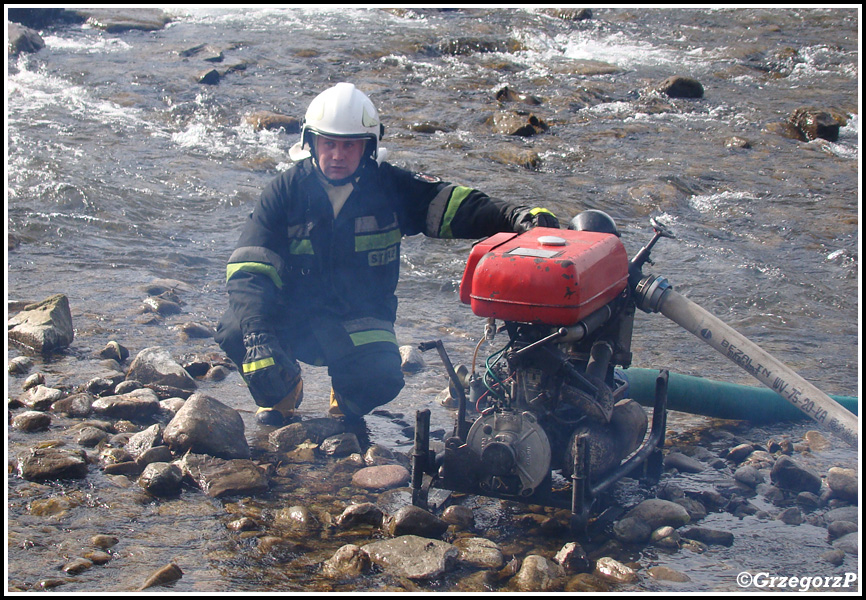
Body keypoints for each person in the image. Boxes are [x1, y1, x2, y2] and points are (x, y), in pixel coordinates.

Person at [215, 82, 559, 427]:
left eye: (349, 145)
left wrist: (516, 217)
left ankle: (345, 401)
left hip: (357, 317)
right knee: (237, 332)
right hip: (293, 315)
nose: (337, 155)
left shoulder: (391, 187)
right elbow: (250, 270)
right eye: (329, 143)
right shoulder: (283, 192)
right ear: (310, 142)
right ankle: (282, 392)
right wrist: (258, 336)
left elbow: (455, 205)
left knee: (379, 378)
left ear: (368, 147)